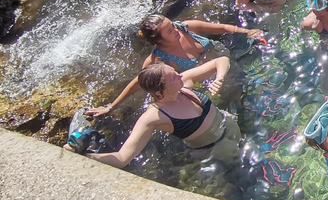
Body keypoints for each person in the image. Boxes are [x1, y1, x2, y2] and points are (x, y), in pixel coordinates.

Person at [67, 60, 239, 168]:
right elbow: (122, 158)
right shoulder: (154, 118)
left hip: (228, 123)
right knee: (244, 167)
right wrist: (83, 156)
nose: (180, 75)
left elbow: (222, 61)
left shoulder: (184, 83)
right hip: (216, 148)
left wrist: (219, 78)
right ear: (159, 93)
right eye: (173, 77)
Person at [87, 14, 262, 117]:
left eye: (172, 25)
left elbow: (222, 28)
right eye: (170, 31)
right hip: (209, 82)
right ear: (159, 40)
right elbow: (139, 82)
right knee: (239, 106)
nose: (176, 30)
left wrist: (248, 32)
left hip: (224, 62)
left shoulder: (186, 28)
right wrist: (111, 106)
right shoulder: (158, 59)